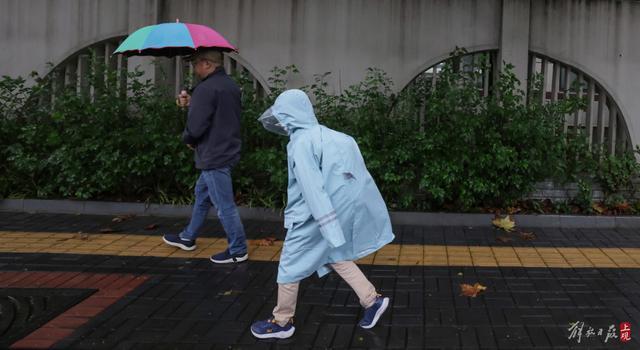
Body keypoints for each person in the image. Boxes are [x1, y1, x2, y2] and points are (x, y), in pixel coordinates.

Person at [250, 89, 395, 339]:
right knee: (334, 255)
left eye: (283, 115)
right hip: (336, 211)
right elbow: (356, 179)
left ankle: (282, 321)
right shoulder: (335, 137)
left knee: (289, 265)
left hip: (312, 218)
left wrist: (327, 226)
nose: (281, 121)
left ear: (291, 114)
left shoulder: (300, 144)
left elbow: (312, 188)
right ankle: (372, 300)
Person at [162, 49, 248, 264]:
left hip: (213, 154)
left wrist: (189, 139)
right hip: (227, 149)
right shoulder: (229, 85)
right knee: (202, 194)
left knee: (224, 205)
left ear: (207, 64)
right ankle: (188, 237)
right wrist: (193, 101)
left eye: (196, 64)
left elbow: (197, 125)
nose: (194, 68)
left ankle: (238, 249)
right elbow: (220, 112)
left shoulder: (206, 88)